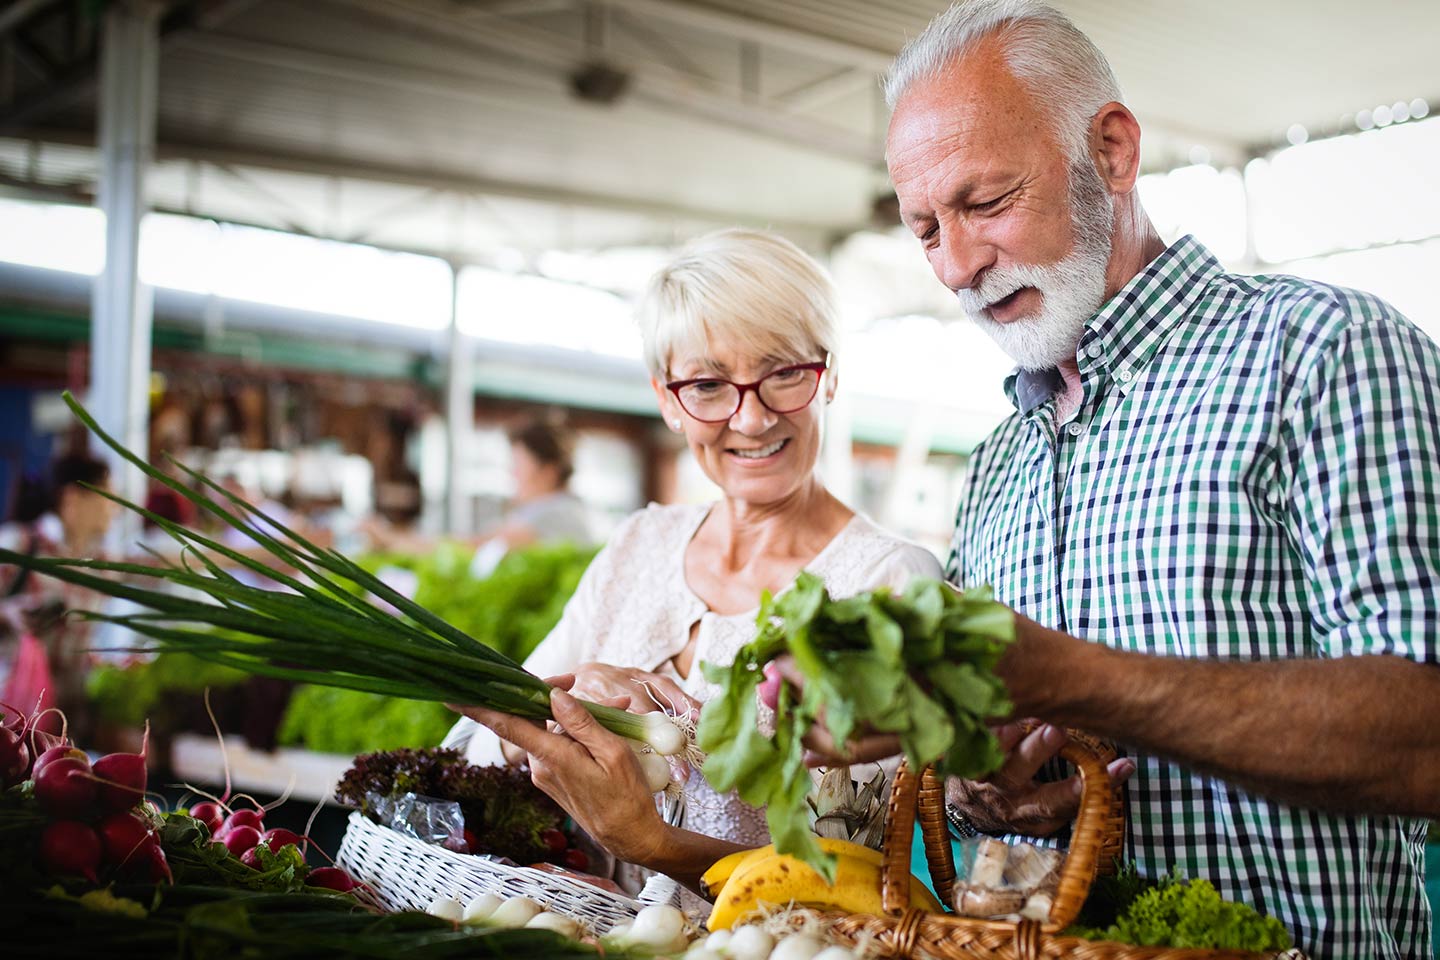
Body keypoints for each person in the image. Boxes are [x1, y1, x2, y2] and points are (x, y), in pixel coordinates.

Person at [840, 2, 1437, 956]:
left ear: (1113, 151)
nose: (956, 267)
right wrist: (981, 785)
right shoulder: (1000, 460)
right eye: (924, 230)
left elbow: (1424, 734)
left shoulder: (1323, 352)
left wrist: (1075, 678)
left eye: (986, 202)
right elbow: (976, 776)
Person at [450, 228, 943, 893]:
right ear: (666, 400)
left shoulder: (889, 583)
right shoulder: (640, 547)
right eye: (709, 385)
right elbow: (476, 745)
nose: (750, 418)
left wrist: (654, 846)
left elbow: (857, 881)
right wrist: (565, 711)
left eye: (784, 373)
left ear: (830, 377)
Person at [0, 452, 119, 737]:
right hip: (15, 720)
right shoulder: (20, 546)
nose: (114, 509)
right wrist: (8, 612)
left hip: (71, 720)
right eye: (106, 497)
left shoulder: (100, 563)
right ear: (72, 500)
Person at [467, 414, 594, 578]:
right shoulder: (532, 511)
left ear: (549, 472)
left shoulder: (563, 513)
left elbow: (494, 541)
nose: (513, 474)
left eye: (519, 465)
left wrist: (431, 546)